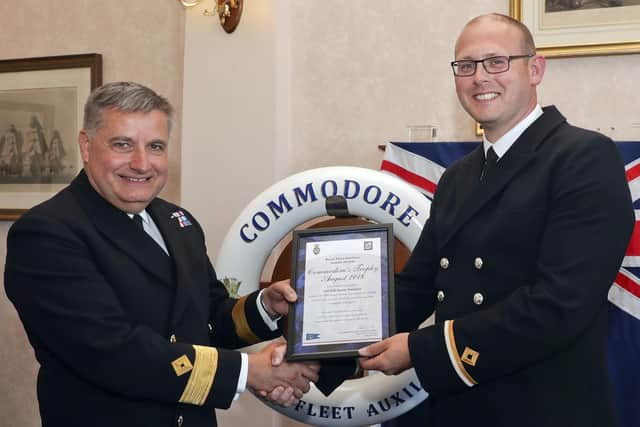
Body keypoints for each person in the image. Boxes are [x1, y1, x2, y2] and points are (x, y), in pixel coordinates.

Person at [359, 13, 634, 427]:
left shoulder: (584, 158)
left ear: (535, 69)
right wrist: (324, 345)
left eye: (496, 62)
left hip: (541, 408)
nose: (479, 78)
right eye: (465, 66)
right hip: (459, 408)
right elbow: (417, 285)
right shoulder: (458, 176)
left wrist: (422, 349)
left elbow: (559, 305)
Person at [4, 82, 319, 427]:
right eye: (122, 144)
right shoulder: (47, 233)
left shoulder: (177, 222)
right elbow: (112, 351)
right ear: (86, 145)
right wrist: (248, 372)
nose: (141, 163)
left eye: (155, 147)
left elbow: (206, 319)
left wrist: (265, 306)